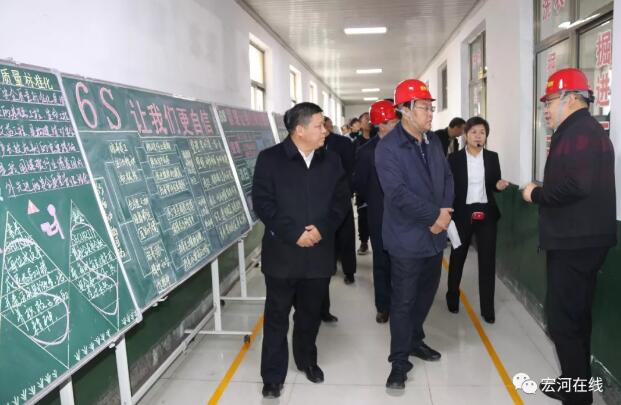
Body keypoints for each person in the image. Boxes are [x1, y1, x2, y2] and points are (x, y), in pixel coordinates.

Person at [522, 68, 616, 405]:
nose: (546, 110)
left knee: (564, 322)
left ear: (571, 98)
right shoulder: (584, 130)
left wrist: (536, 193)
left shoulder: (579, 132)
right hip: (583, 240)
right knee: (576, 317)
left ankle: (577, 397)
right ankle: (574, 384)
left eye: (549, 102)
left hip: (575, 243)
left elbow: (577, 184)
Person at [252, 102, 350, 399]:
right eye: (319, 126)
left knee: (309, 314)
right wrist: (294, 233)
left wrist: (321, 229)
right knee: (277, 316)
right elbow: (263, 203)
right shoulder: (270, 159)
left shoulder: (331, 161)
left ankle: (306, 360)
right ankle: (272, 376)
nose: (325, 131)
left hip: (319, 252)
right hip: (283, 253)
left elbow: (341, 201)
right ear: (299, 130)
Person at [375, 79, 454, 390]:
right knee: (404, 302)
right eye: (424, 107)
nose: (430, 113)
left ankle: (415, 340)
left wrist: (444, 213)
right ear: (405, 111)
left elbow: (447, 178)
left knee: (425, 295)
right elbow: (397, 193)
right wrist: (434, 216)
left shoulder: (432, 142)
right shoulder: (388, 148)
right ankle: (398, 362)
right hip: (406, 238)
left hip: (434, 237)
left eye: (431, 107)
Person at [445, 116, 509, 324]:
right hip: (462, 213)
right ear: (465, 135)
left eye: (482, 132)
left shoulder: (492, 157)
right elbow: (448, 187)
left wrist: (498, 185)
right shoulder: (454, 159)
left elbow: (493, 183)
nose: (478, 136)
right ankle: (452, 296)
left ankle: (487, 309)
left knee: (487, 261)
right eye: (473, 132)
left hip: (486, 212)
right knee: (458, 256)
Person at [353, 100, 399, 323]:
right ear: (381, 124)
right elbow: (360, 185)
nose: (398, 126)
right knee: (381, 260)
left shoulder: (408, 147)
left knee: (404, 262)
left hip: (405, 214)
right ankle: (383, 305)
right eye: (393, 123)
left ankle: (402, 303)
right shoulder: (365, 152)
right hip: (379, 214)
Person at [321, 116, 357, 323]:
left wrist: (347, 194)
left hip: (341, 200)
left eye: (324, 125)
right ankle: (331, 267)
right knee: (327, 242)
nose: (323, 130)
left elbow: (350, 170)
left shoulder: (342, 144)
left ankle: (349, 271)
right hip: (320, 209)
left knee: (346, 237)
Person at [354, 111, 372, 255]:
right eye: (366, 119)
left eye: (370, 118)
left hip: (377, 183)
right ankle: (364, 242)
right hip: (363, 185)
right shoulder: (356, 142)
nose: (369, 121)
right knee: (363, 216)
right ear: (360, 123)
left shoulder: (379, 139)